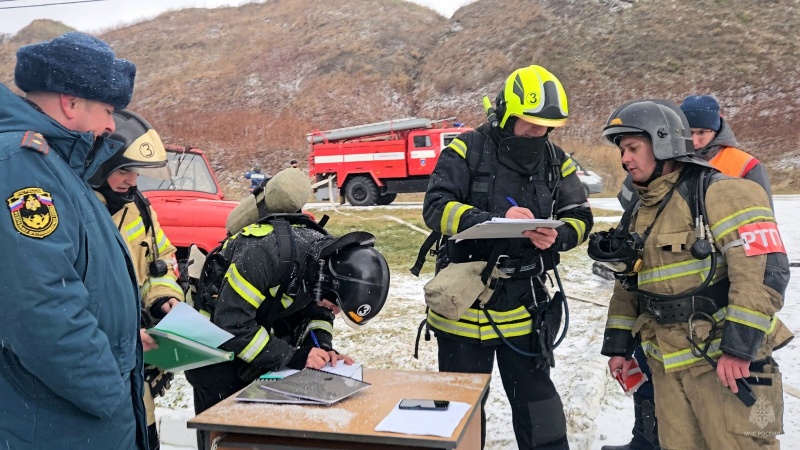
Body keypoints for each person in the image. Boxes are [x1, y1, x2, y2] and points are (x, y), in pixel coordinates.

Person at [589, 99, 792, 449]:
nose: (625, 159)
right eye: (623, 150)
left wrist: (738, 349)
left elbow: (763, 274)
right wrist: (619, 348)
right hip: (666, 367)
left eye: (633, 148)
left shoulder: (724, 193)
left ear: (664, 141)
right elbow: (628, 286)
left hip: (725, 366)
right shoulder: (640, 210)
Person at [422, 65, 594, 450]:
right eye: (529, 123)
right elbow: (435, 207)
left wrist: (559, 234)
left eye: (545, 126)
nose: (538, 132)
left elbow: (581, 216)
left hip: (525, 311)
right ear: (504, 114)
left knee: (542, 418)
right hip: (463, 313)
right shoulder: (466, 149)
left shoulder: (555, 159)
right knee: (459, 420)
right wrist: (489, 221)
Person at [0, 32, 147, 449]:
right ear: (70, 102)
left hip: (74, 417)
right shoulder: (20, 167)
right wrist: (107, 389)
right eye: (107, 110)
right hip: (59, 422)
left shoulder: (56, 168)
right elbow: (37, 306)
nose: (109, 124)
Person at [185, 168, 391, 450]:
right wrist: (294, 356)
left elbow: (318, 312)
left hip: (258, 353)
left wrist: (322, 347)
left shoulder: (325, 261)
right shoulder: (263, 255)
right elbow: (231, 326)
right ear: (329, 284)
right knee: (224, 439)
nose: (336, 312)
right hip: (214, 355)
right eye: (336, 305)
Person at [89, 110, 185, 450]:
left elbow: (161, 264)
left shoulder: (139, 209)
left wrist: (163, 299)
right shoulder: (77, 211)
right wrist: (123, 338)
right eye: (123, 170)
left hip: (138, 378)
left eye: (136, 171)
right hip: (96, 374)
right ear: (98, 166)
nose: (133, 180)